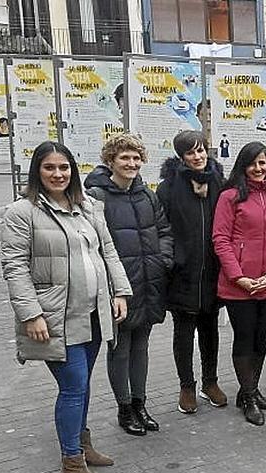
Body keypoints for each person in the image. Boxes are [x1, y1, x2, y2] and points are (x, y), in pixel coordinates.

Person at [1, 141, 132, 473]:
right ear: (37, 172)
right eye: (49, 168)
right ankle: (71, 464)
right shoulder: (22, 212)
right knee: (73, 387)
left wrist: (120, 292)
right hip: (54, 318)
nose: (58, 174)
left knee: (83, 384)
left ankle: (82, 444)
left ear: (73, 170)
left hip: (92, 313)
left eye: (64, 167)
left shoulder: (87, 205)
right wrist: (31, 314)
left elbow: (109, 252)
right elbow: (14, 267)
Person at [84, 134, 173, 437]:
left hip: (148, 282)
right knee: (119, 349)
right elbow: (92, 246)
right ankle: (124, 408)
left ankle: (140, 404)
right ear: (110, 160)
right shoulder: (96, 197)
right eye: (125, 157)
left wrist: (163, 259)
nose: (131, 163)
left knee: (142, 347)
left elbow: (163, 230)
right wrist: (109, 286)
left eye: (136, 158)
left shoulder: (147, 195)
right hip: (117, 289)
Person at [213, 141, 266, 425]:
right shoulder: (230, 197)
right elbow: (220, 240)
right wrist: (240, 277)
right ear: (243, 165)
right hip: (239, 286)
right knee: (245, 339)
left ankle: (251, 388)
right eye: (253, 163)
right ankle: (248, 396)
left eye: (263, 163)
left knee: (264, 336)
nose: (259, 168)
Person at [157, 130, 228, 414]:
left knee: (211, 331)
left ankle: (210, 382)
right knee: (184, 332)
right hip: (182, 274)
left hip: (212, 270)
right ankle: (187, 386)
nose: (197, 157)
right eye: (190, 153)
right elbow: (161, 230)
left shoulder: (219, 184)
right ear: (181, 156)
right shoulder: (168, 188)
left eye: (201, 151)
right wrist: (173, 259)